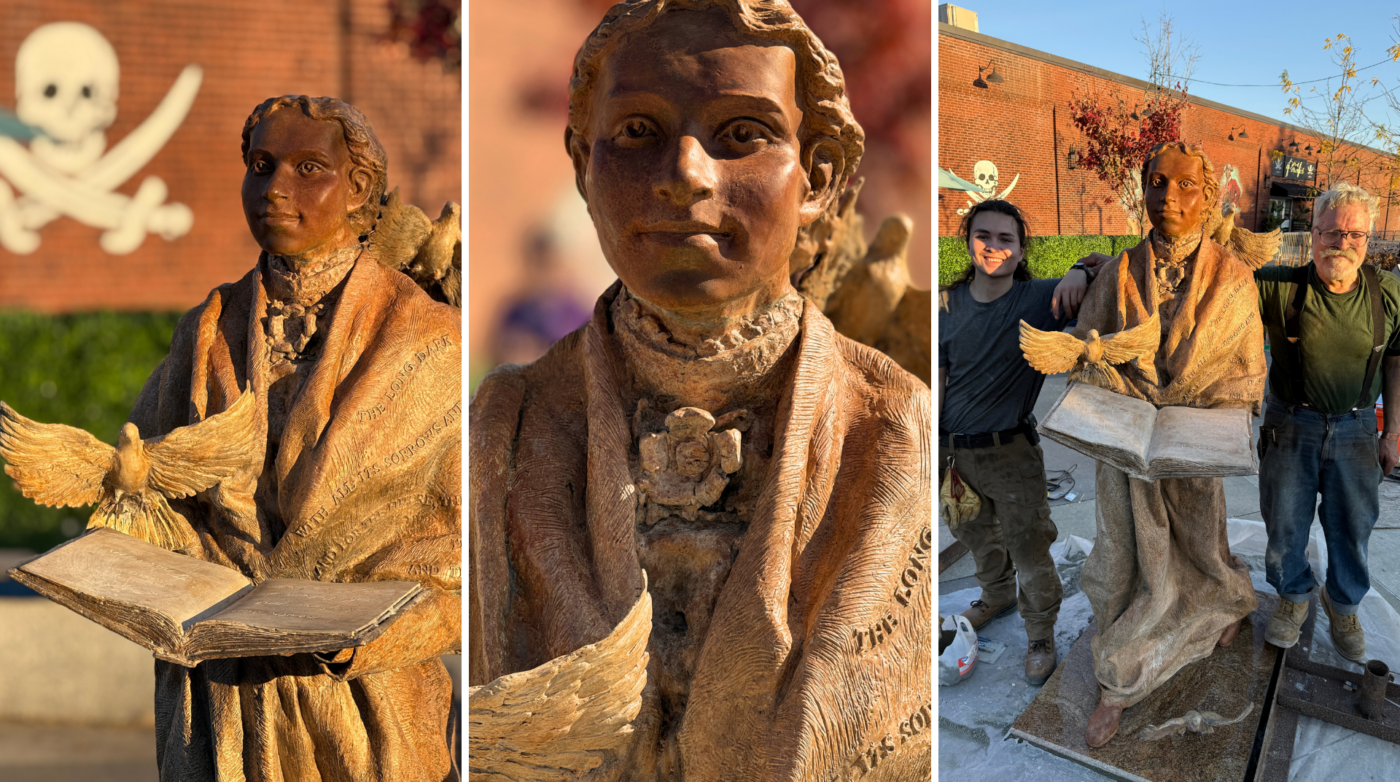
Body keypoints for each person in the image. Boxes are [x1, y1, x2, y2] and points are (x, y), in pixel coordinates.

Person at [469, 1, 931, 779]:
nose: (684, 176)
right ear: (584, 161)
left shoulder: (890, 423)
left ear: (817, 175)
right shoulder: (512, 421)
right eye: (638, 133)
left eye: (742, 134)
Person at [127, 96, 462, 781]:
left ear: (359, 189)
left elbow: (464, 550)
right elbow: (152, 499)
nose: (276, 187)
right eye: (260, 165)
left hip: (365, 714)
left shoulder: (428, 342)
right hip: (221, 705)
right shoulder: (204, 332)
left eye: (309, 168)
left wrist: (355, 638)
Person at [1068, 142, 1264, 747]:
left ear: (1206, 196)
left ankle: (1222, 604)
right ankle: (1122, 677)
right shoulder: (1119, 272)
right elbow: (1086, 347)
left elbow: (1247, 366)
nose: (1169, 197)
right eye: (1156, 182)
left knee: (1204, 544)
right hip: (1129, 449)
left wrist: (1213, 415)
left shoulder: (1233, 277)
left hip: (1193, 443)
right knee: (1127, 551)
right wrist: (1103, 373)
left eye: (1184, 186)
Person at [937, 198, 1089, 685]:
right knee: (975, 534)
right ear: (968, 242)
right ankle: (997, 596)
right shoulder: (945, 303)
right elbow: (939, 377)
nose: (994, 247)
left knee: (1029, 544)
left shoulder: (1039, 301)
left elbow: (1119, 269)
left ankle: (1040, 633)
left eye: (1007, 238)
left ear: (1022, 250)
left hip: (1012, 454)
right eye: (984, 235)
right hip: (956, 453)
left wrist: (1081, 269)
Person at [1251, 183, 1400, 661]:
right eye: (1331, 232)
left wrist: (1392, 432)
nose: (1343, 242)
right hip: (1290, 426)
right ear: (1312, 233)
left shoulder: (1389, 294)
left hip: (1357, 429)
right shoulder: (1276, 286)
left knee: (1353, 528)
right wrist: (1088, 266)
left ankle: (1343, 606)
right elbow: (1208, 282)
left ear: (1369, 238)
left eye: (1355, 234)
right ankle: (1293, 598)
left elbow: (1395, 363)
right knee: (1283, 525)